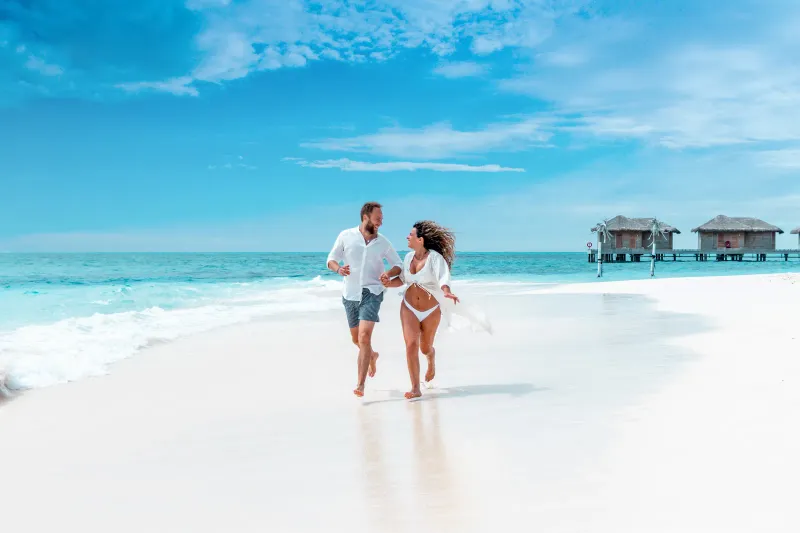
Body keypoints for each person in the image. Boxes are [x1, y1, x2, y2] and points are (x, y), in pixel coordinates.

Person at [327, 201, 403, 397]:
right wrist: (339, 269)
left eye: (382, 219)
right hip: (350, 294)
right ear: (365, 217)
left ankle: (360, 385)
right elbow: (331, 259)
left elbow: (398, 265)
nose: (380, 222)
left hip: (372, 293)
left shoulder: (383, 242)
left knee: (364, 337)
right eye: (377, 218)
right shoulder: (346, 236)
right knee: (356, 339)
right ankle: (372, 355)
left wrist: (389, 272)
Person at [382, 220, 459, 399]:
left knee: (424, 348)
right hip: (408, 307)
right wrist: (386, 283)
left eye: (411, 234)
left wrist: (447, 292)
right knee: (410, 345)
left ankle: (431, 359)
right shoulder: (408, 258)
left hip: (431, 309)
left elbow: (443, 279)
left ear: (421, 240)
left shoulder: (434, 258)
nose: (407, 237)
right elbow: (402, 280)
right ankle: (416, 388)